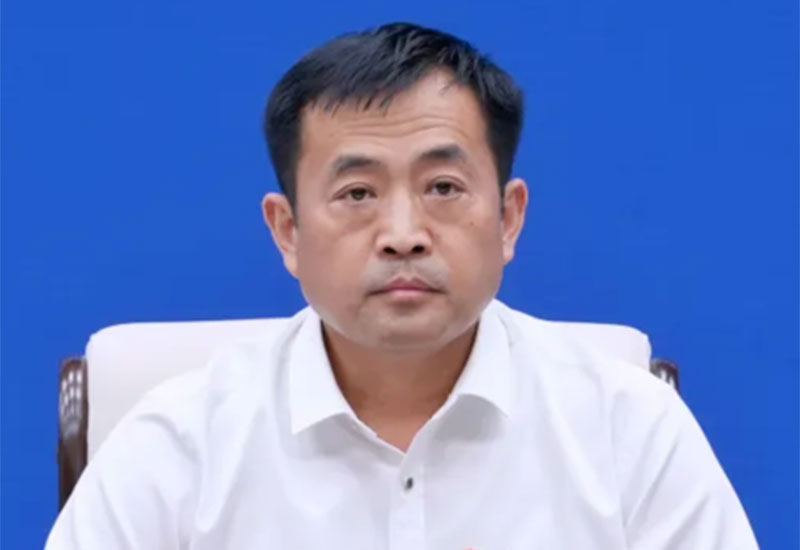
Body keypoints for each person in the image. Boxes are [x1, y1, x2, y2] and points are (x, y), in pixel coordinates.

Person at [45, 22, 758, 549]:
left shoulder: (629, 429)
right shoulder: (178, 443)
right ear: (287, 231)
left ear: (508, 218)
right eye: (357, 193)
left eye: (443, 187)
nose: (403, 233)